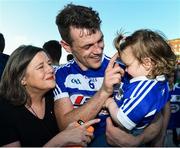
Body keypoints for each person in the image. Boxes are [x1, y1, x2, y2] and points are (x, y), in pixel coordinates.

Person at [53, 3, 165, 146]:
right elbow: (65, 127)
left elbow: (156, 117)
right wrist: (104, 92)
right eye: (87, 46)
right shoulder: (60, 75)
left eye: (100, 40)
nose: (98, 50)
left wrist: (136, 140)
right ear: (67, 46)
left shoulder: (127, 67)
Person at [0, 45, 100, 147]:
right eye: (40, 67)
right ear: (22, 79)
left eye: (49, 63)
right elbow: (63, 137)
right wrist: (60, 140)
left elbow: (75, 121)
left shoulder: (56, 97)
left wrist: (77, 127)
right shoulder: (4, 110)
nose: (51, 69)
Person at [104, 29, 176, 136]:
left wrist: (110, 103)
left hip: (131, 133)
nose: (126, 70)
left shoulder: (145, 92)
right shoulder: (160, 80)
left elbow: (123, 121)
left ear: (147, 63)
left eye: (128, 65)